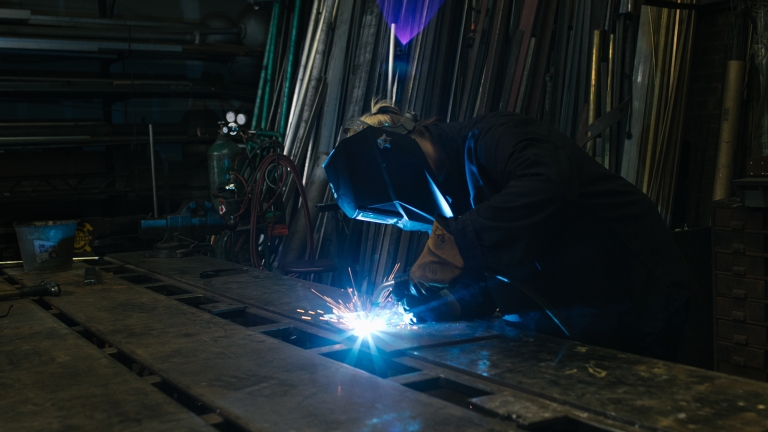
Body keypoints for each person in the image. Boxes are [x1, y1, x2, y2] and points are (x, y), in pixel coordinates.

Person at [323, 100, 693, 360]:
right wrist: (444, 304)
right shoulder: (451, 196)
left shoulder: (494, 135)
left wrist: (456, 244)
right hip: (580, 323)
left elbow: (549, 186)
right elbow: (494, 271)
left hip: (640, 297)